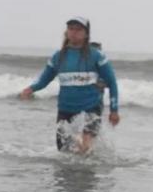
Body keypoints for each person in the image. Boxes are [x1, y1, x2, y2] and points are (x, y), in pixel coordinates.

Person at [20, 17, 120, 153]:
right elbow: (45, 79)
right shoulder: (58, 56)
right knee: (63, 151)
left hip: (91, 108)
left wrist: (114, 111)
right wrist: (30, 89)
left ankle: (87, 167)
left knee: (84, 149)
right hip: (65, 108)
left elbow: (112, 82)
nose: (74, 32)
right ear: (66, 32)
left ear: (86, 34)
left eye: (78, 29)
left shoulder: (96, 56)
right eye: (71, 29)